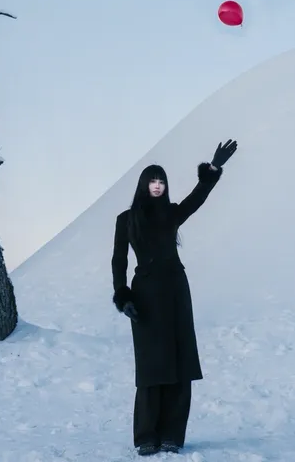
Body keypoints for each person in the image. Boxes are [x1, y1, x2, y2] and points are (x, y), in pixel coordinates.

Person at [111, 140, 238, 456]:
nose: (157, 185)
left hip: (176, 292)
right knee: (152, 366)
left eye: (161, 181)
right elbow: (118, 261)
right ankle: (146, 436)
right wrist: (122, 295)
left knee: (180, 364)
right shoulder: (126, 219)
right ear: (143, 185)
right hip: (145, 296)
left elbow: (197, 198)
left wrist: (212, 169)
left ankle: (172, 436)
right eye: (152, 180)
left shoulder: (172, 213)